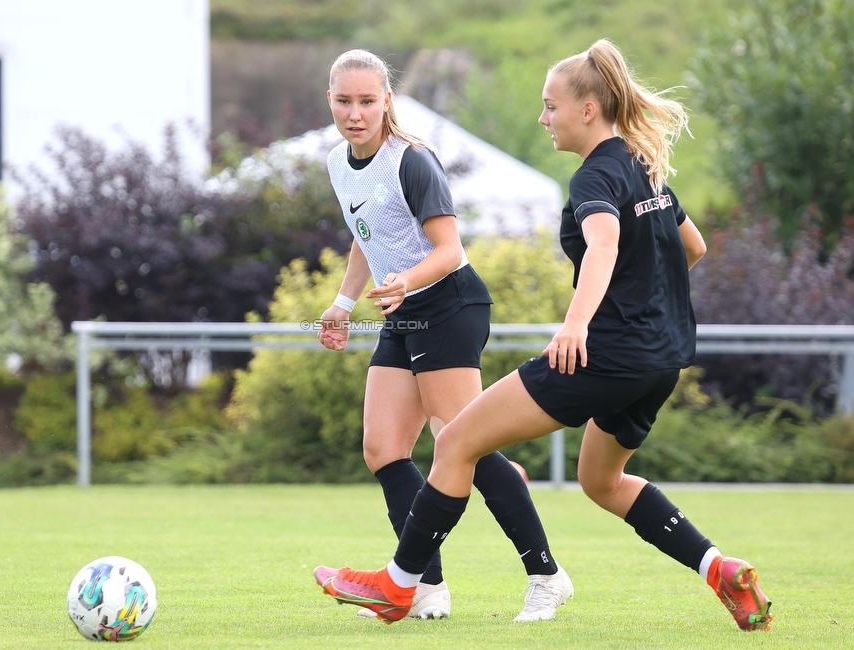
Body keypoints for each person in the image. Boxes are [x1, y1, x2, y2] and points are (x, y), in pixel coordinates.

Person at [314, 40, 773, 632]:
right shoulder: (644, 167)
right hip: (661, 360)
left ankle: (403, 586)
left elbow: (604, 243)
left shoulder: (594, 179)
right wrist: (646, 309)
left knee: (455, 443)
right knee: (601, 482)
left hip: (597, 352)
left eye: (550, 106)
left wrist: (579, 324)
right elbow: (694, 246)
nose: (542, 117)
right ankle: (720, 567)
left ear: (587, 109)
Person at [313, 48, 574, 622]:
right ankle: (424, 587)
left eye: (366, 100)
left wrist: (404, 280)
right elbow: (367, 233)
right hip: (402, 313)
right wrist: (341, 303)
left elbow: (451, 250)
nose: (355, 113)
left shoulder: (413, 161)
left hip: (449, 305)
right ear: (329, 101)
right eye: (343, 101)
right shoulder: (338, 162)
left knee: (467, 448)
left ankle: (546, 574)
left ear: (387, 101)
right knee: (383, 450)